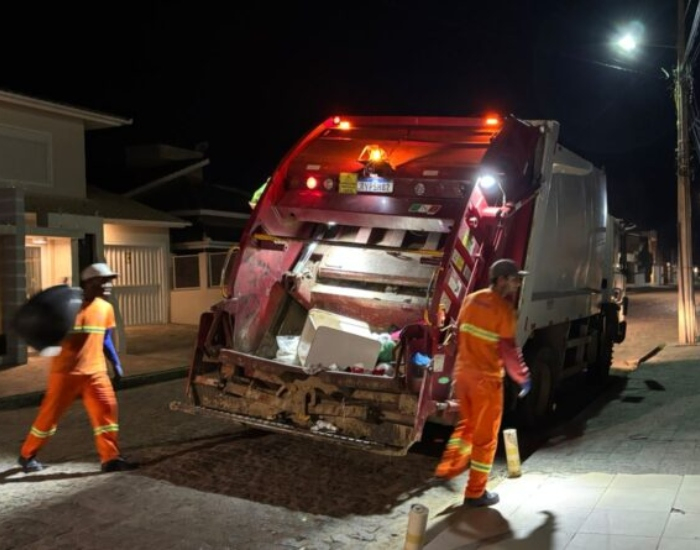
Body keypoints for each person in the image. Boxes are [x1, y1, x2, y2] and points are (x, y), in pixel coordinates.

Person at [17, 262, 138, 474]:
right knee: (49, 417)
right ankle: (27, 455)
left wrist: (116, 363)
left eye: (110, 281)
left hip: (96, 373)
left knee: (107, 415)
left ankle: (110, 458)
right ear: (90, 282)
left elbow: (105, 339)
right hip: (66, 373)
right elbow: (46, 330)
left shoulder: (106, 308)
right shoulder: (68, 306)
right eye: (104, 281)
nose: (109, 285)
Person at [434, 258, 532, 507]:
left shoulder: (471, 299)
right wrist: (523, 378)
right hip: (486, 382)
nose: (517, 284)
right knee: (485, 438)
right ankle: (475, 492)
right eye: (514, 279)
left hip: (463, 376)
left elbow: (458, 334)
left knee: (467, 426)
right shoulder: (503, 310)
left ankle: (448, 468)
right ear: (501, 279)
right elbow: (509, 352)